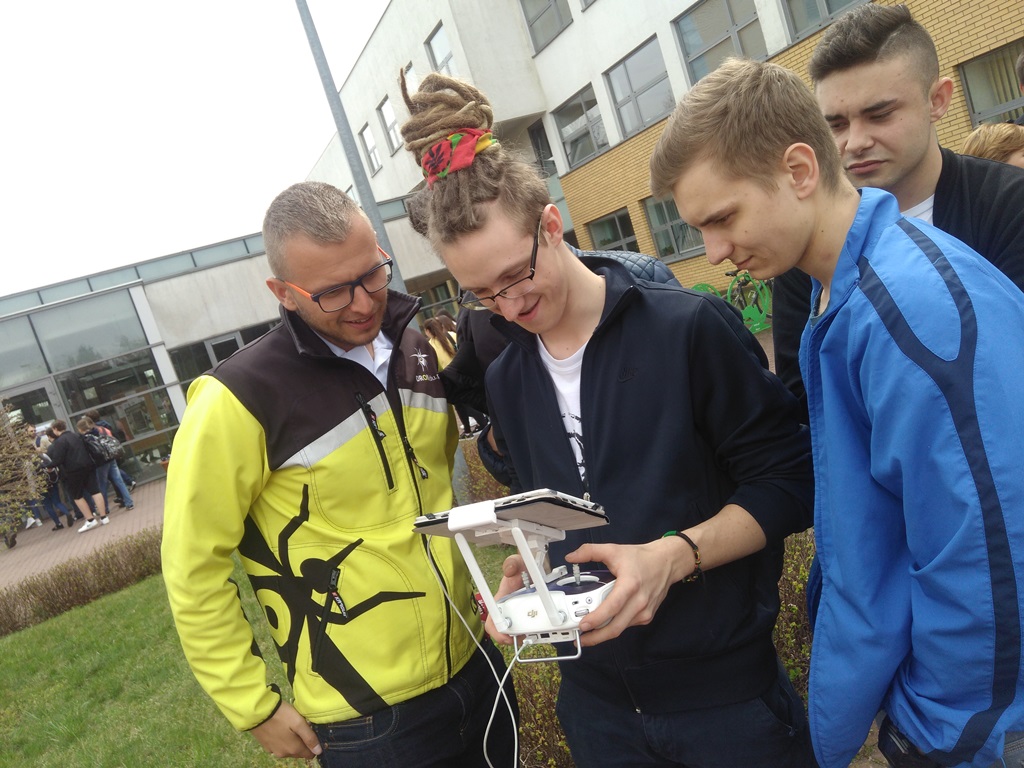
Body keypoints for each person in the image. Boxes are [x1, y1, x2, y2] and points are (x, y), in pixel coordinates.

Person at [401, 71, 815, 768]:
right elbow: (561, 511)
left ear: (551, 225)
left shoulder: (688, 330)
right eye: (481, 294)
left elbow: (792, 482)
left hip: (725, 705)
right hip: (595, 711)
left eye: (517, 274)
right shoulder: (507, 377)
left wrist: (675, 556)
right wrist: (533, 567)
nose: (509, 307)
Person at [650, 55, 1024, 768]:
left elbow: (991, 558)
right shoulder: (845, 291)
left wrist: (936, 732)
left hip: (972, 728)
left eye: (723, 218)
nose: (714, 252)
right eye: (699, 229)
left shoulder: (907, 309)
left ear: (798, 170)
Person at [161, 181, 517, 767]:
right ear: (283, 292)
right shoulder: (237, 398)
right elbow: (192, 564)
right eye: (331, 292)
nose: (362, 303)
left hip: (478, 663)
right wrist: (252, 705)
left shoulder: (414, 347)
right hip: (367, 721)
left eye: (372, 274)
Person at [771, 3, 1024, 419]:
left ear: (937, 100)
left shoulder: (1009, 204)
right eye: (836, 125)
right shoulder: (806, 247)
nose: (855, 142)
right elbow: (806, 398)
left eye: (880, 115)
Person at [44, 420, 108, 532]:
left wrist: (48, 466)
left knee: (77, 496)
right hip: (89, 466)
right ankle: (104, 517)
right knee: (95, 491)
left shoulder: (59, 442)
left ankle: (90, 520)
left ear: (55, 429)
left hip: (73, 471)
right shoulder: (77, 435)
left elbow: (58, 459)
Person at [77, 416, 134, 512]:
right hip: (110, 458)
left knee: (102, 486)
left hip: (100, 463)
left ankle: (105, 508)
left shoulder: (86, 438)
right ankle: (129, 503)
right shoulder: (98, 431)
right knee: (119, 481)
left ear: (81, 429)